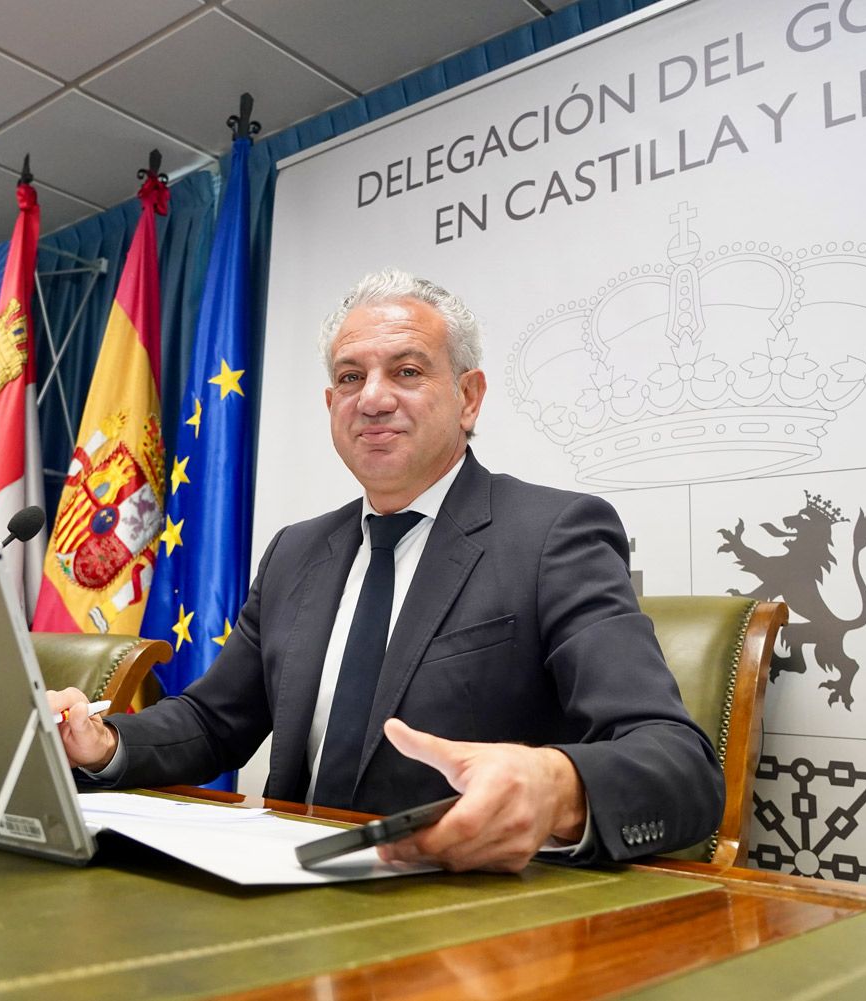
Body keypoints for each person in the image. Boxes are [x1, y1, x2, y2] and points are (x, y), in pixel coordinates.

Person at [49, 269, 724, 872]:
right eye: (350, 377)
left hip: (466, 918)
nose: (372, 398)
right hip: (281, 894)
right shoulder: (295, 553)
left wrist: (559, 786)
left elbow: (680, 766)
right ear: (331, 406)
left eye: (406, 371)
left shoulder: (553, 534)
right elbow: (215, 720)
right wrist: (103, 741)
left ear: (468, 397)